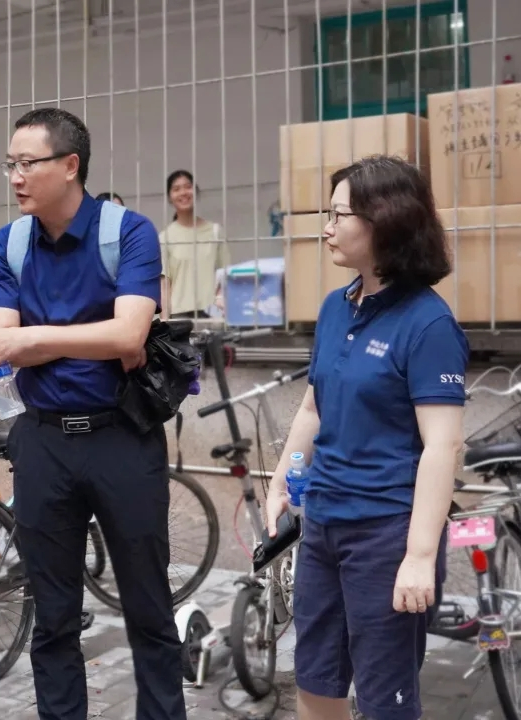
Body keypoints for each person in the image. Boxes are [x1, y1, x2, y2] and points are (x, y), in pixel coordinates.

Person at [0, 107, 187, 720]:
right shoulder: (8, 245)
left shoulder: (130, 233)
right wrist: (75, 338)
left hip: (122, 438)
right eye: (10, 164)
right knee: (53, 617)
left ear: (70, 165)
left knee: (149, 608)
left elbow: (128, 336)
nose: (15, 176)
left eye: (27, 163)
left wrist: (35, 339)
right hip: (42, 442)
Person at [264, 155, 466, 720]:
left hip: (386, 534)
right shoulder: (336, 308)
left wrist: (419, 556)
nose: (326, 228)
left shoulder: (428, 324)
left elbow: (443, 446)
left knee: (384, 700)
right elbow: (313, 407)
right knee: (315, 682)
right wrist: (281, 481)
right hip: (324, 523)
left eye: (338, 215)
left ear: (385, 220)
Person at [159, 170, 229, 319]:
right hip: (179, 316)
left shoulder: (215, 232)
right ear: (170, 197)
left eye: (187, 186)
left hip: (212, 314)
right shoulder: (165, 238)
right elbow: (164, 286)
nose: (183, 192)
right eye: (176, 189)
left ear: (196, 191)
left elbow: (225, 276)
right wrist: (164, 322)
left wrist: (221, 307)